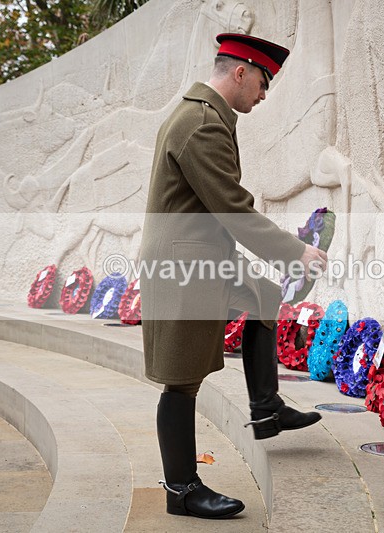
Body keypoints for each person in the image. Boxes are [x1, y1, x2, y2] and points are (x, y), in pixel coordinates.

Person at [139, 33, 328, 520]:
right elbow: (231, 207)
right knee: (180, 380)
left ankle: (266, 408)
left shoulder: (206, 116)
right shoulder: (201, 124)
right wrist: (293, 253)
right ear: (240, 71)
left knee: (264, 295)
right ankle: (181, 489)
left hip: (200, 252)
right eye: (263, 83)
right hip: (183, 265)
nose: (264, 95)